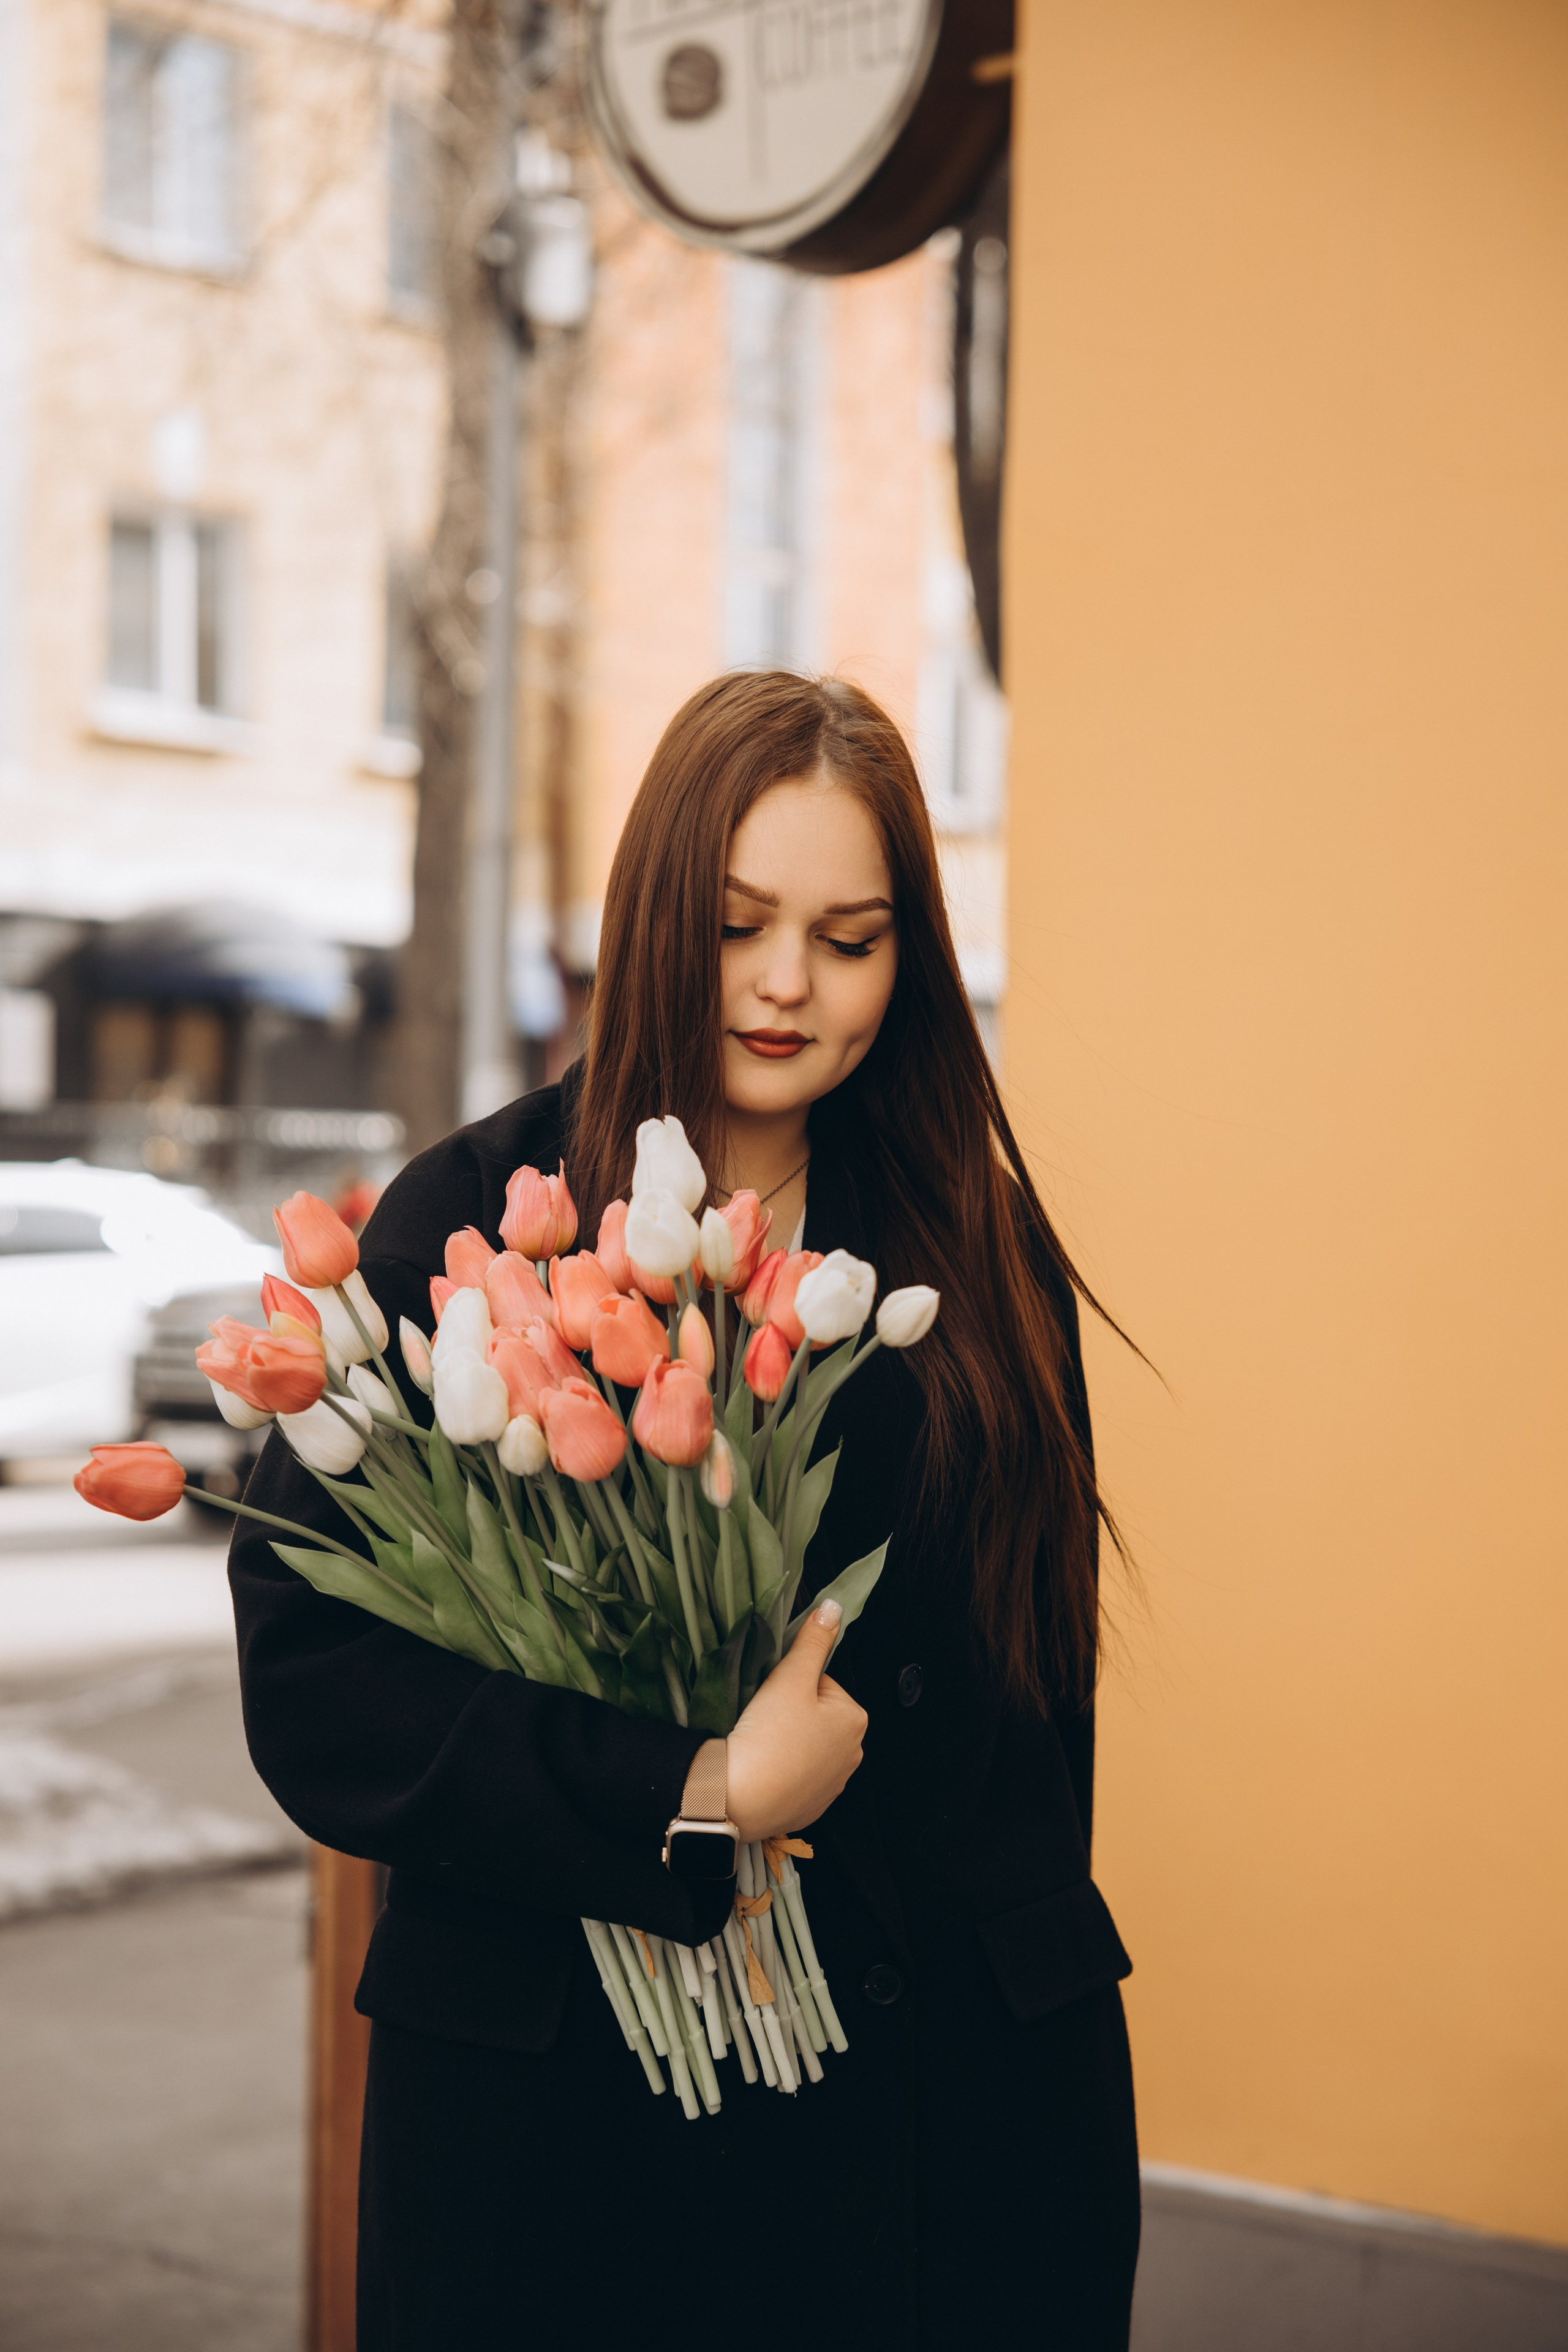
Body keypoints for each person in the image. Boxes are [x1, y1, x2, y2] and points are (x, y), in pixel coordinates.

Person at [229, 671, 1140, 2350]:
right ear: (657, 913)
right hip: (558, 2145)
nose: (791, 984)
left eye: (852, 937)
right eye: (740, 924)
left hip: (944, 2127)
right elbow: (322, 1691)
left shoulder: (986, 1261)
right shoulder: (471, 1223)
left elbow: (1039, 1715)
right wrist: (700, 1792)